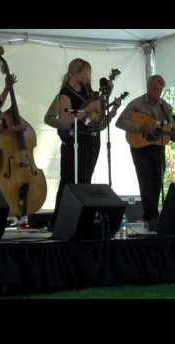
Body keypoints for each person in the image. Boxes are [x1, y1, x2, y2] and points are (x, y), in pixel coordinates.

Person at [115, 75, 175, 232]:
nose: (157, 92)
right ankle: (151, 216)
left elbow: (170, 127)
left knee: (157, 180)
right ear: (148, 88)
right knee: (146, 180)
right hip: (140, 145)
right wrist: (140, 128)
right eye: (154, 88)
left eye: (159, 89)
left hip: (158, 146)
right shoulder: (137, 104)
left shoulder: (165, 107)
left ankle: (152, 216)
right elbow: (120, 122)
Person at [51, 58, 104, 227]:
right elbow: (66, 121)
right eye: (86, 72)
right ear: (75, 72)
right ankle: (60, 221)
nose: (89, 76)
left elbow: (96, 117)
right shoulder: (65, 93)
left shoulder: (87, 92)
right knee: (69, 180)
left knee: (85, 180)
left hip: (90, 139)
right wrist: (88, 109)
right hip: (73, 141)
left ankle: (82, 219)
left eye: (89, 73)